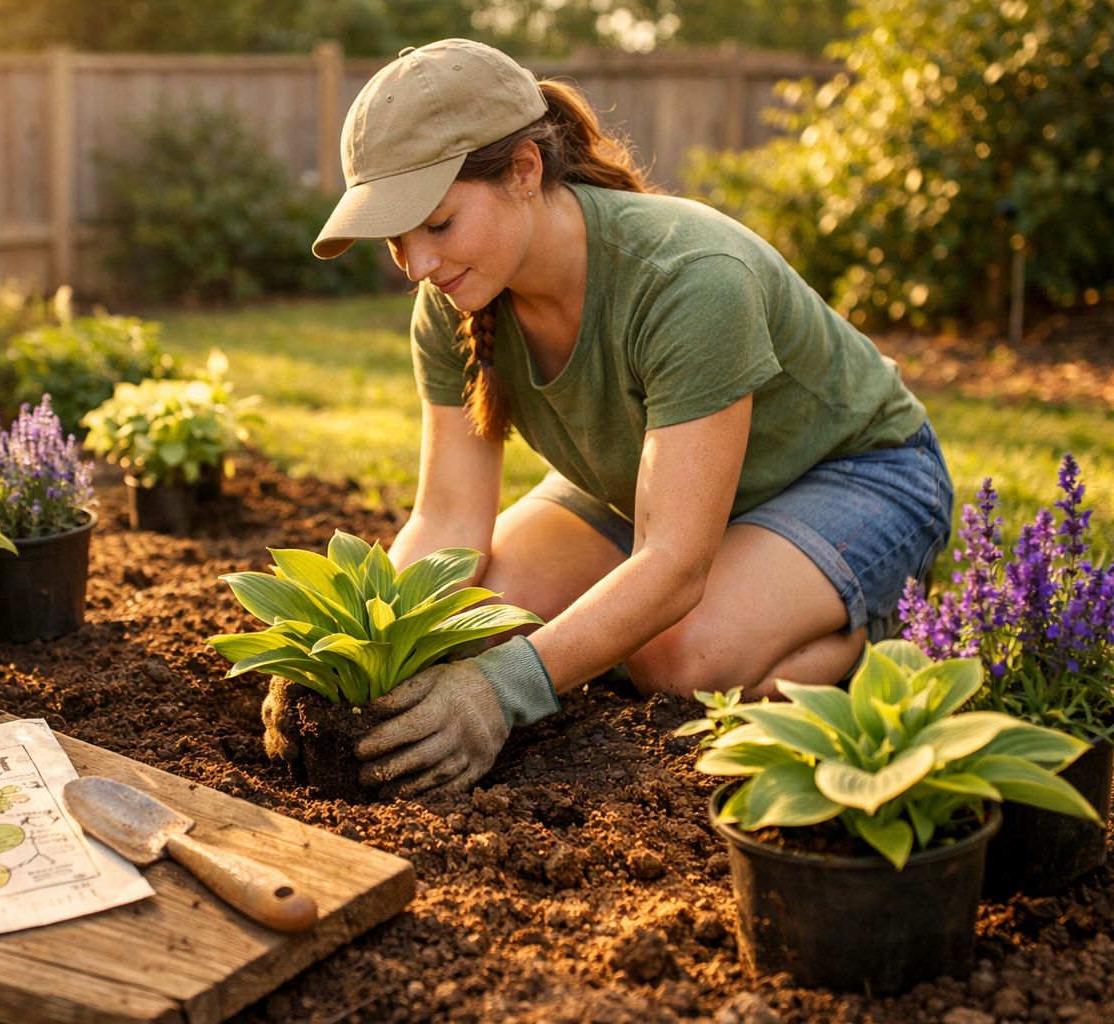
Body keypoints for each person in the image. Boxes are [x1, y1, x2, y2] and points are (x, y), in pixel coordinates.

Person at [271, 38, 952, 798]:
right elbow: (447, 520)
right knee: (483, 617)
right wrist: (351, 657)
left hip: (857, 473)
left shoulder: (689, 279)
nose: (418, 265)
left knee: (672, 662)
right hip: (645, 484)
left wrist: (502, 691)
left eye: (437, 224)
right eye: (396, 239)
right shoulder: (454, 304)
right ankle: (762, 605)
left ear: (524, 171)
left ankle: (871, 638)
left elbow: (674, 563)